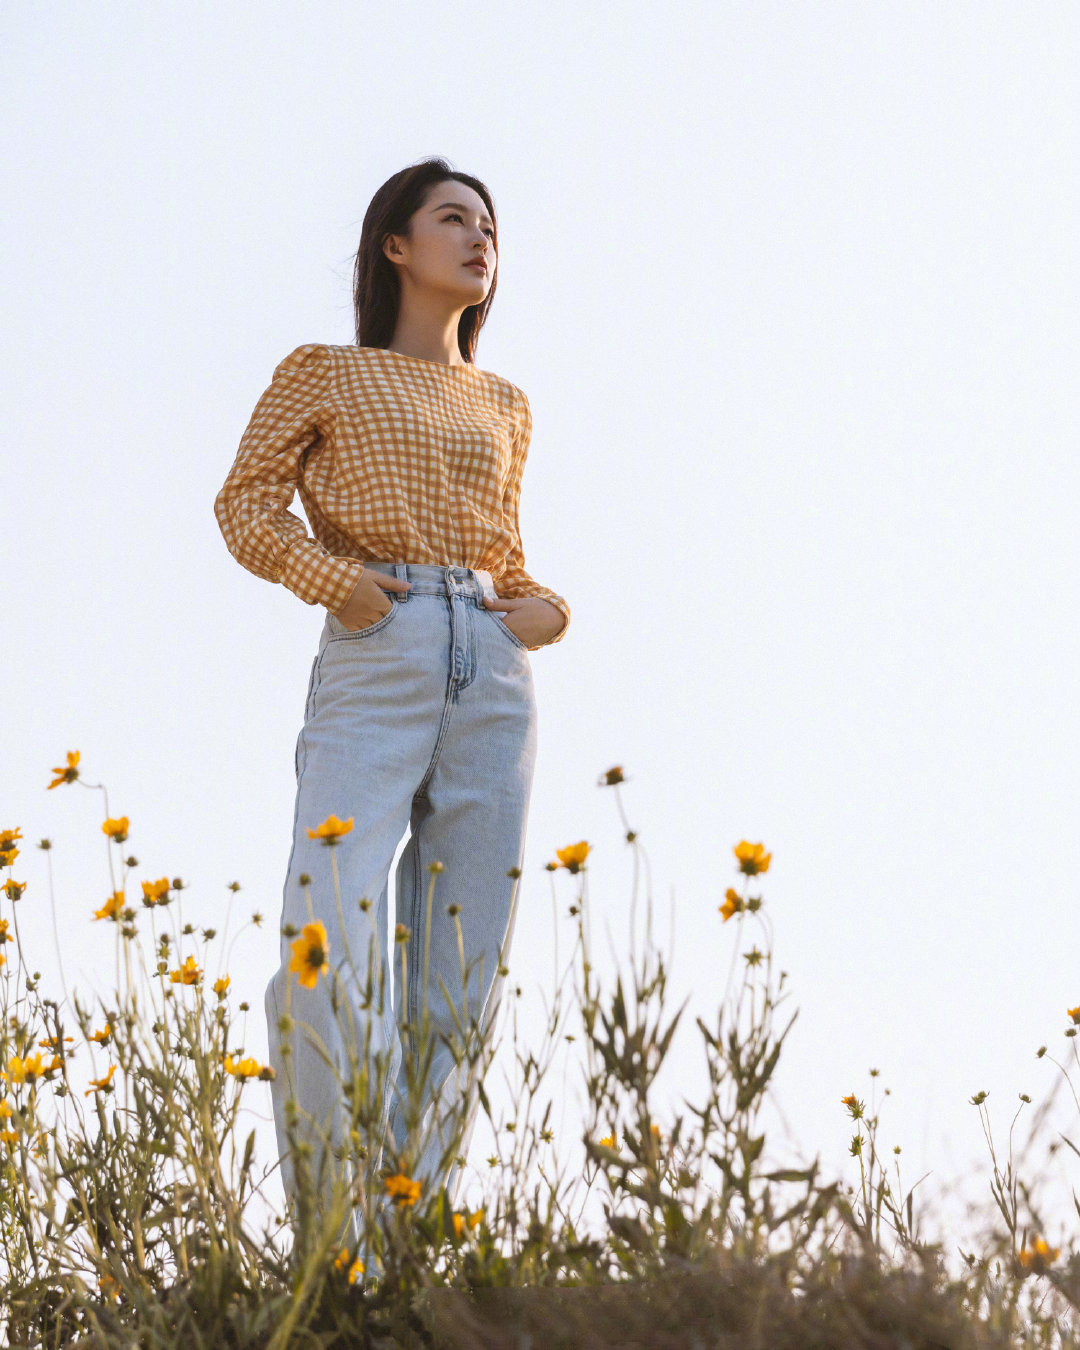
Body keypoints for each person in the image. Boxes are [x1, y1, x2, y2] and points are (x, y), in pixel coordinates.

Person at [213, 157, 570, 1268]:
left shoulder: (506, 404)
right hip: (380, 648)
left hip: (493, 673)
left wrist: (537, 607)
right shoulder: (325, 372)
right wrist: (344, 587)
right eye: (452, 219)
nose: (480, 239)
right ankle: (334, 1239)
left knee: (460, 972)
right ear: (395, 248)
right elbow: (244, 508)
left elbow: (503, 549)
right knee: (325, 935)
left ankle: (402, 1257)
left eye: (490, 227)